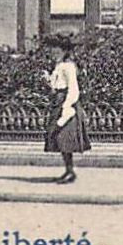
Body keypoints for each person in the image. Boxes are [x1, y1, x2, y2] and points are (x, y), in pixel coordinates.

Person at [43, 34, 90, 184]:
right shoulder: (59, 66)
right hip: (58, 101)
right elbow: (56, 86)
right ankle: (68, 170)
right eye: (52, 48)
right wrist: (48, 80)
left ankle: (70, 172)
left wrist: (66, 108)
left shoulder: (69, 66)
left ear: (64, 50)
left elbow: (73, 89)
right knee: (60, 139)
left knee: (65, 138)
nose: (53, 51)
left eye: (56, 48)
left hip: (66, 104)